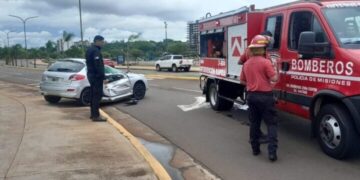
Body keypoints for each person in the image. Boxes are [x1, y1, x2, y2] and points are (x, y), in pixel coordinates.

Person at [240, 35, 279, 162]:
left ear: (252, 49)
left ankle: (255, 149)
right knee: (271, 124)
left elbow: (242, 81)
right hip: (266, 97)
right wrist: (276, 69)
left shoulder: (246, 64)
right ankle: (272, 153)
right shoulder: (266, 62)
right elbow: (274, 79)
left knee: (254, 123)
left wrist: (252, 84)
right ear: (263, 49)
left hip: (252, 96)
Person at [85, 35, 108, 122]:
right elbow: (98, 66)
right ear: (97, 41)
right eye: (102, 42)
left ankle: (93, 114)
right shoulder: (95, 51)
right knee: (97, 96)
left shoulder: (89, 49)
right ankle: (96, 116)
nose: (103, 43)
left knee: (93, 95)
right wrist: (103, 77)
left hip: (91, 75)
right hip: (96, 77)